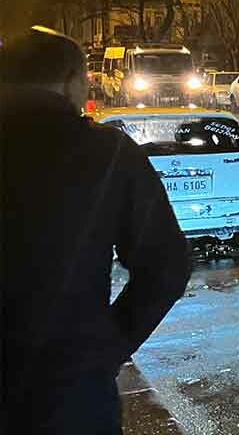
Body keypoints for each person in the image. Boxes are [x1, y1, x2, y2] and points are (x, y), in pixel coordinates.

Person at [1, 27, 192, 434]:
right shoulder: (106, 153)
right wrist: (104, 349)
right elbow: (168, 264)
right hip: (70, 398)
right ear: (72, 81)